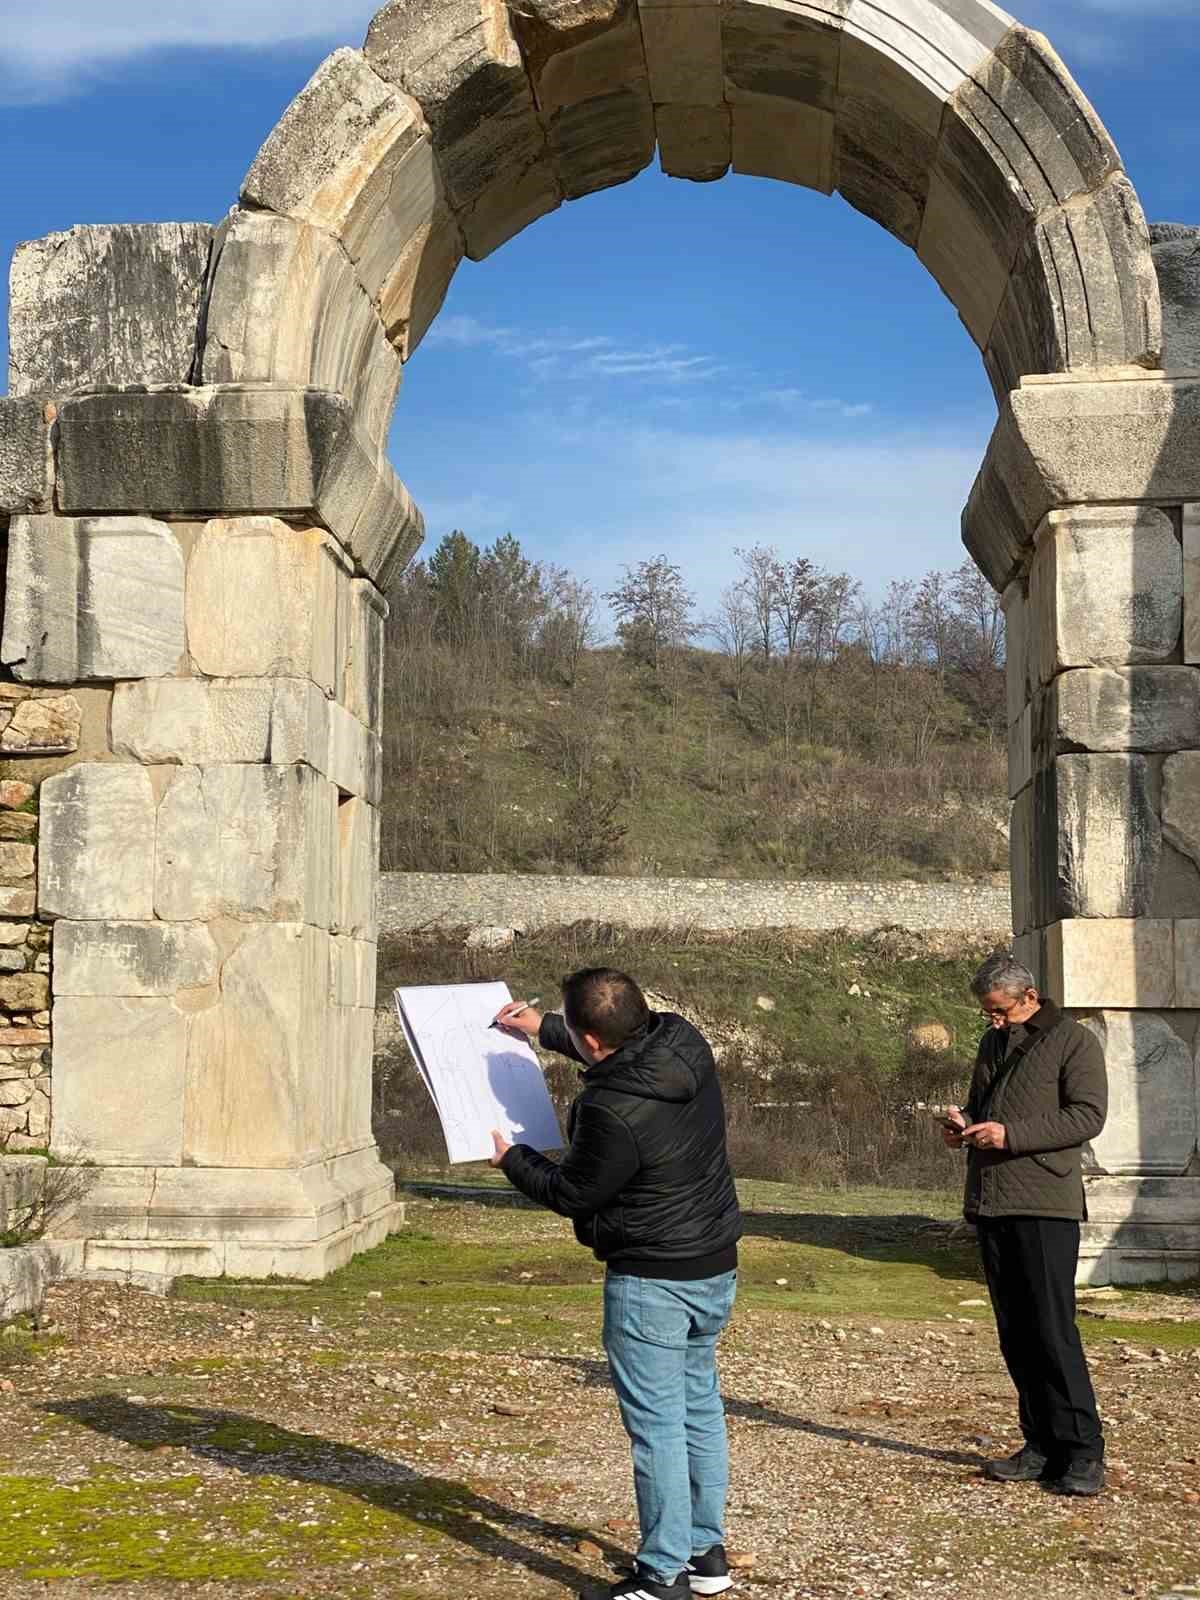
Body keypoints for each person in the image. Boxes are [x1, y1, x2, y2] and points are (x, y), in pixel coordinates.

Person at [490, 968, 743, 1600]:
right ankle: (705, 1556)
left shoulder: (609, 1109)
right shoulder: (684, 1040)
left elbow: (573, 1193)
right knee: (699, 1409)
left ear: (593, 1041)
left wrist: (512, 1159)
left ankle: (662, 1578)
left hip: (650, 1279)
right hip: (713, 1263)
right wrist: (546, 1028)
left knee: (656, 1427)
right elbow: (621, 1046)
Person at [944, 954, 1108, 1497]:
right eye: (987, 1013)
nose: (992, 1021)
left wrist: (1010, 1135)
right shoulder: (992, 1042)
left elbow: (1087, 1116)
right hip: (991, 1202)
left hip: (1045, 1203)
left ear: (1029, 997)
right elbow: (981, 1106)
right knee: (1015, 1332)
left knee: (1053, 1332)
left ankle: (1082, 1452)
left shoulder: (1075, 1042)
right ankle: (1039, 1445)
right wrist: (964, 1127)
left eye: (999, 1011)